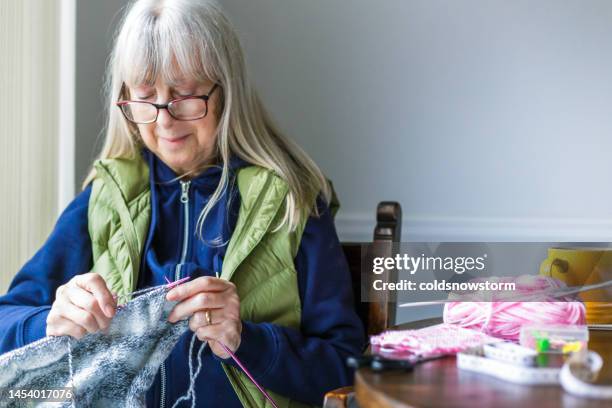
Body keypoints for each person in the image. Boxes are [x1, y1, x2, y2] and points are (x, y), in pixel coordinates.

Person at [0, 0, 365, 406]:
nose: (164, 120)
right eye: (145, 96)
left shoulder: (292, 201)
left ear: (226, 92)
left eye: (185, 96)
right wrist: (51, 321)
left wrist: (246, 340)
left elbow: (346, 366)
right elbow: (5, 323)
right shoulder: (107, 197)